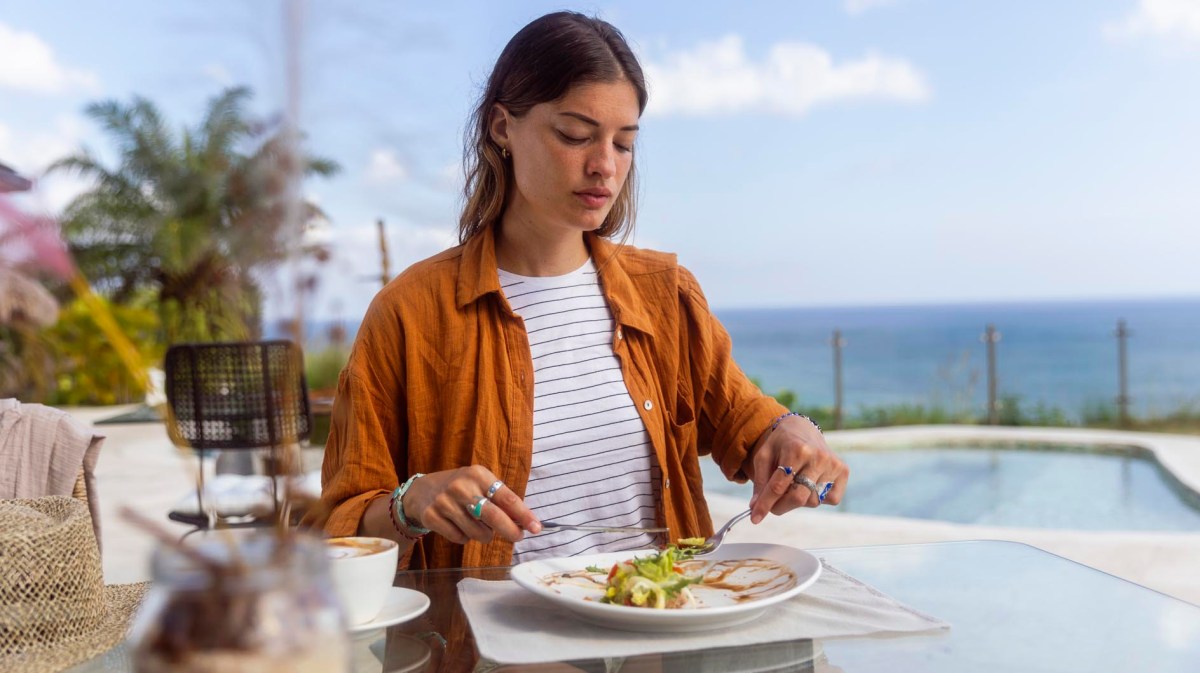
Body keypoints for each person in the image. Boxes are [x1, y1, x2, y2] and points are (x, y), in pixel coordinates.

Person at [308, 11, 849, 570]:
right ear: (502, 127)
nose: (604, 167)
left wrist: (795, 434)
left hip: (661, 634)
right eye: (575, 135)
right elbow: (335, 526)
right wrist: (410, 503)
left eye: (624, 144)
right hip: (495, 649)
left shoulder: (665, 295)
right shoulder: (411, 313)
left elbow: (750, 421)